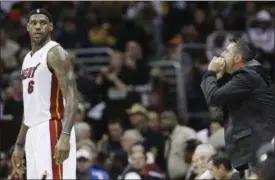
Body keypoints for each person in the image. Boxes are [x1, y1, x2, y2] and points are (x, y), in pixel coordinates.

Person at [11, 9, 79, 179]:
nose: (38, 27)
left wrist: (65, 134)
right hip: (33, 132)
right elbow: (30, 106)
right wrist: (19, 144)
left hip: (53, 127)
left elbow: (72, 97)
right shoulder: (27, 58)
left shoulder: (56, 53)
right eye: (33, 23)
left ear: (51, 27)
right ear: (27, 27)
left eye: (42, 23)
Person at [201, 38, 275, 174]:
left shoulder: (247, 76)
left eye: (226, 51)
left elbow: (213, 98)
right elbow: (217, 104)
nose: (221, 55)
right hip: (251, 149)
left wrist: (210, 73)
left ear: (237, 58)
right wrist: (219, 76)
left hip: (255, 150)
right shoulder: (247, 76)